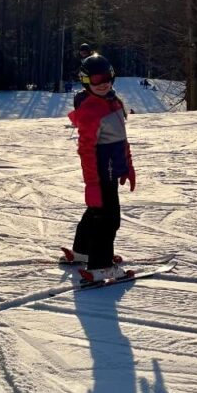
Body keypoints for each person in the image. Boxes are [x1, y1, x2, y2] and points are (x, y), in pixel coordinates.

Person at [66, 54, 135, 282]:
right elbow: (86, 151)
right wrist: (92, 185)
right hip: (100, 173)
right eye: (96, 79)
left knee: (97, 212)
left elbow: (121, 139)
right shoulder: (90, 110)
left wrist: (128, 165)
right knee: (109, 218)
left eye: (107, 77)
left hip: (112, 169)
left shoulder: (113, 101)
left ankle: (83, 251)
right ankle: (100, 265)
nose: (103, 83)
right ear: (86, 81)